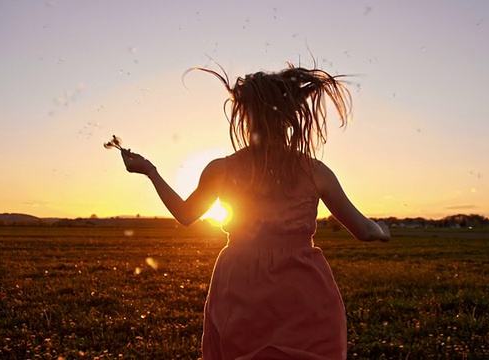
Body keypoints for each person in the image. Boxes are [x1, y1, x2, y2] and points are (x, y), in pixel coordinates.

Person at [119, 62, 390, 359]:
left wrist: (151, 171)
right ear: (290, 119)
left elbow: (186, 215)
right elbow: (364, 230)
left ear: (246, 117)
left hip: (239, 284)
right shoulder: (315, 171)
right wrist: (382, 230)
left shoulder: (221, 169)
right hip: (304, 290)